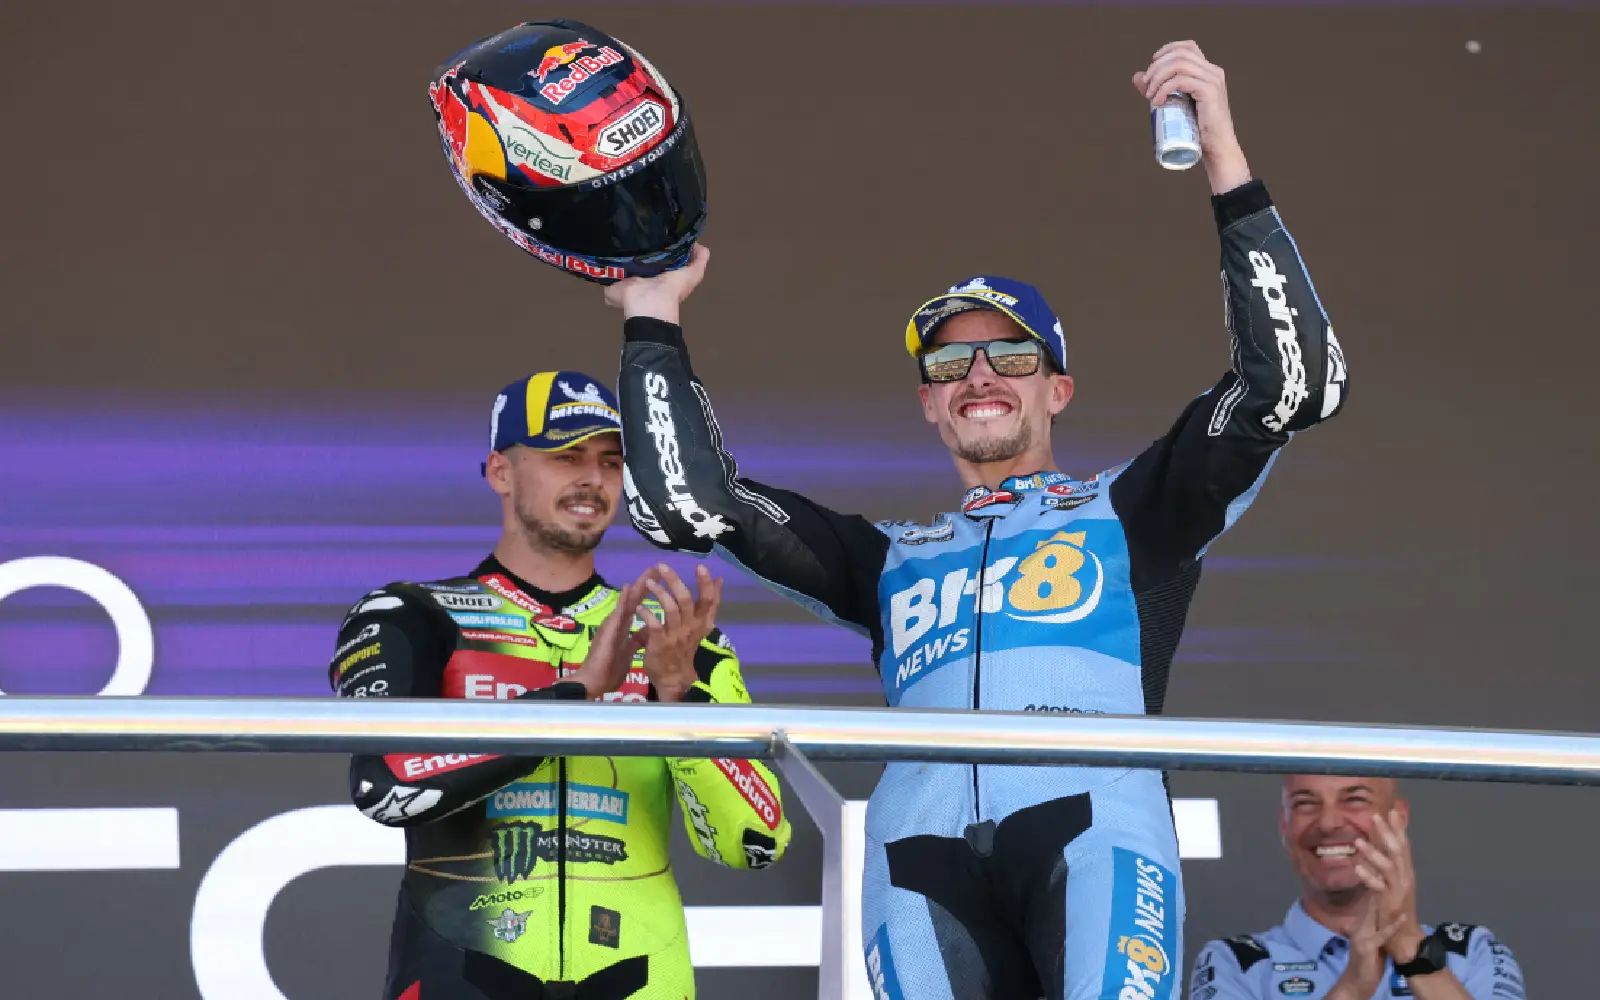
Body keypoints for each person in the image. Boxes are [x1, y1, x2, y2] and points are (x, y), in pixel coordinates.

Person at [606, 40, 1347, 1000]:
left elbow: (1291, 383)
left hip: (1095, 833)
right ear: (930, 405)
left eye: (1010, 354)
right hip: (919, 859)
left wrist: (1224, 160)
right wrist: (653, 315)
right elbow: (686, 503)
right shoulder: (886, 559)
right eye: (950, 365)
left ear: (1059, 389)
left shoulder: (1133, 509)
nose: (981, 375)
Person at [329, 370, 790, 1000]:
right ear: (500, 471)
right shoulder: (412, 615)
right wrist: (575, 700)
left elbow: (754, 842)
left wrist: (679, 700)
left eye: (609, 461)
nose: (591, 479)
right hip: (459, 970)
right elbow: (385, 785)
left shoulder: (677, 639)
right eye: (564, 456)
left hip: (641, 977)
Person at [1189, 775, 1526, 1000]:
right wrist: (1351, 989)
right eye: (1306, 803)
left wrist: (1411, 947)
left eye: (1355, 800)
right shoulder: (1234, 962)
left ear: (1399, 817)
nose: (1329, 822)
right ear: (1284, 825)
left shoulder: (1471, 952)